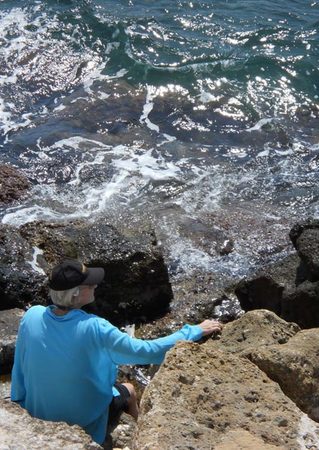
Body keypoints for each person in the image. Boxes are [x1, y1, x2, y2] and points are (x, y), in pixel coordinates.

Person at [11, 259, 223, 445]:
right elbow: (148, 352)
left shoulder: (32, 316)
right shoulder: (96, 328)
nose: (95, 285)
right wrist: (194, 330)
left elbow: (19, 366)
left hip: (38, 414)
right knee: (129, 390)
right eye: (89, 283)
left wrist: (19, 402)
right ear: (76, 292)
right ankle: (141, 438)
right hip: (82, 423)